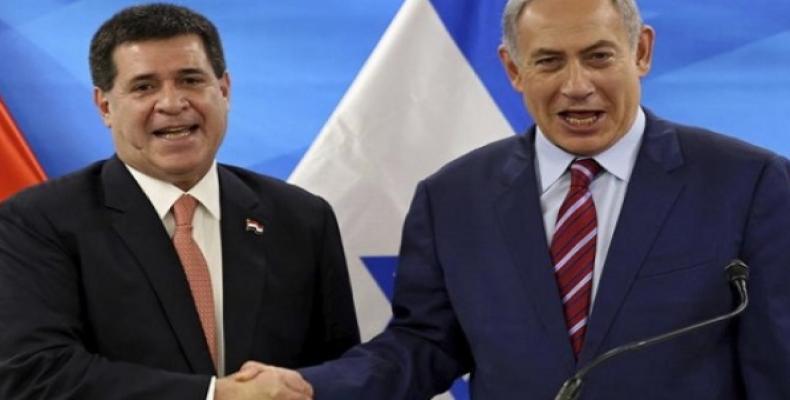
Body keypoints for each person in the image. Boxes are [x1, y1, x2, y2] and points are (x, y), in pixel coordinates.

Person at [297, 0, 790, 398]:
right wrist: (309, 388)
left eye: (598, 57)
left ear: (641, 52)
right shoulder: (451, 199)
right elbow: (424, 345)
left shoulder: (748, 183)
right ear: (514, 69)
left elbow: (777, 361)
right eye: (549, 61)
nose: (576, 86)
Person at [0, 3, 359, 399]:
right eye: (144, 87)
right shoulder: (36, 222)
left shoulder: (301, 218)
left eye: (190, 80)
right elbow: (37, 374)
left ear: (224, 90)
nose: (171, 103)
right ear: (105, 107)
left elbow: (337, 375)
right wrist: (215, 395)